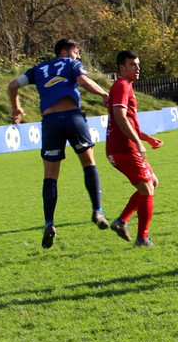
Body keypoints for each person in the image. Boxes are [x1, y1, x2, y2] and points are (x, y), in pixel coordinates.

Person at [8, 38, 111, 248]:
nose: (78, 55)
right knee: (89, 164)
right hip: (73, 119)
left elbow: (12, 85)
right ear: (64, 52)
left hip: (51, 123)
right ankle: (97, 211)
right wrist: (103, 93)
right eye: (76, 51)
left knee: (50, 175)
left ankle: (49, 223)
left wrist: (16, 108)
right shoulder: (71, 64)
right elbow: (83, 81)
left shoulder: (37, 69)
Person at [106, 50, 163, 247]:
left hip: (124, 147)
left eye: (138, 64)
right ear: (121, 68)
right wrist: (138, 143)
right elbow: (120, 117)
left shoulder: (126, 86)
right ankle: (142, 238)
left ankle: (122, 222)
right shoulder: (121, 86)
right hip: (124, 149)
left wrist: (146, 138)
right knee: (147, 188)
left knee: (151, 183)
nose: (137, 68)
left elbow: (129, 122)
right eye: (132, 64)